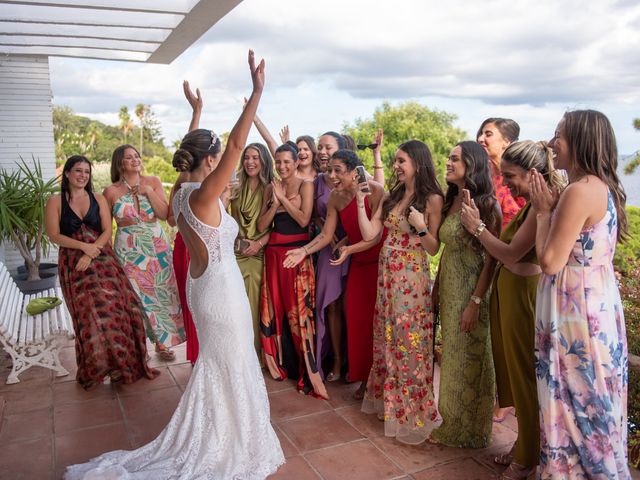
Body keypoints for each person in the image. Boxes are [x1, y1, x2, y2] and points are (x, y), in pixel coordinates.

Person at [64, 50, 284, 480]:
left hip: (202, 289)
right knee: (233, 362)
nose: (226, 158)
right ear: (211, 160)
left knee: (219, 366)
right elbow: (237, 145)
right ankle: (232, 442)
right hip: (220, 292)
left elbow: (196, 156)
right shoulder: (203, 195)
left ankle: (225, 432)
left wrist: (196, 114)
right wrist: (258, 93)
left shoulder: (183, 192)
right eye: (218, 155)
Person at [530, 110, 630, 479]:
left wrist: (543, 213)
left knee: (571, 402)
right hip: (596, 300)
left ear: (581, 142)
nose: (553, 143)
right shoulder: (600, 186)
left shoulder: (579, 190)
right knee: (593, 399)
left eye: (560, 136)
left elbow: (551, 261)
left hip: (574, 313)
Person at [460, 140, 566, 478]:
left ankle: (528, 456)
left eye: (511, 176)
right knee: (512, 371)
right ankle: (524, 443)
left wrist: (476, 228)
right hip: (507, 292)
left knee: (524, 377)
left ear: (533, 173)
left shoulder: (541, 207)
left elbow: (509, 254)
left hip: (523, 295)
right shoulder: (531, 204)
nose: (505, 184)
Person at [355, 140, 443, 444]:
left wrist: (420, 227)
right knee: (388, 337)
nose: (396, 166)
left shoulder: (432, 199)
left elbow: (433, 249)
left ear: (418, 163)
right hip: (387, 279)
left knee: (409, 341)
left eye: (401, 161)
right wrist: (359, 201)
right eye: (395, 161)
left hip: (411, 281)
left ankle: (414, 411)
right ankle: (391, 405)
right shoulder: (393, 195)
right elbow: (370, 233)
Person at [45, 155, 158, 390]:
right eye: (78, 171)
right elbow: (54, 235)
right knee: (87, 318)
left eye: (87, 172)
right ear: (67, 173)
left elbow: (108, 230)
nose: (83, 176)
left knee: (118, 311)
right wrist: (82, 248)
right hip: (73, 266)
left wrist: (91, 252)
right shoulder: (55, 202)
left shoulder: (97, 198)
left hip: (102, 261)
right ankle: (95, 368)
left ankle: (122, 365)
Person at [283, 148, 385, 397]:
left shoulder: (376, 191)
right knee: (358, 320)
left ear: (353, 171)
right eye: (329, 170)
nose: (332, 175)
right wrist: (304, 251)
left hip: (382, 263)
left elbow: (378, 234)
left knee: (381, 323)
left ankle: (382, 381)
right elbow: (327, 235)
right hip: (358, 262)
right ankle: (363, 380)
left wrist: (349, 246)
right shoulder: (335, 198)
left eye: (338, 170)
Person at [430, 141, 500, 448]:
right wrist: (436, 289)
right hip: (449, 289)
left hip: (473, 293)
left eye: (454, 158)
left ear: (471, 165)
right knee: (453, 360)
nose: (447, 162)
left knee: (473, 362)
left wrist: (474, 303)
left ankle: (473, 430)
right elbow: (447, 251)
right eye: (449, 157)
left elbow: (492, 259)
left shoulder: (486, 205)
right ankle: (453, 423)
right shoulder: (453, 199)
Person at [257, 143, 328, 399]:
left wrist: (284, 199)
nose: (282, 167)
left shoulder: (306, 184)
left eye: (287, 162)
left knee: (299, 312)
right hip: (273, 254)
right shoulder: (270, 187)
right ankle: (280, 364)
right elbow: (261, 224)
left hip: (297, 256)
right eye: (278, 162)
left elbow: (303, 220)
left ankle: (306, 371)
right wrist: (275, 204)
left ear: (296, 162)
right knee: (274, 308)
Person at [103, 144, 185, 361]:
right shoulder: (111, 192)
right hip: (128, 252)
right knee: (137, 299)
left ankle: (162, 343)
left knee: (161, 295)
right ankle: (139, 347)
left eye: (137, 156)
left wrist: (147, 192)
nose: (135, 160)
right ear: (120, 163)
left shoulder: (153, 182)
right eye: (129, 157)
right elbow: (107, 228)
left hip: (156, 247)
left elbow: (164, 213)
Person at [229, 142, 274, 359]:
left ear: (263, 160)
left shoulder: (270, 187)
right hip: (235, 253)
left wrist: (259, 244)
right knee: (234, 305)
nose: (250, 162)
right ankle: (235, 352)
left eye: (255, 157)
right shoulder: (235, 185)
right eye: (247, 157)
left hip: (257, 253)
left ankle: (254, 354)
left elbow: (274, 226)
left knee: (254, 305)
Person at [477, 118, 526, 230]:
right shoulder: (479, 174)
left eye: (488, 134)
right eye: (481, 134)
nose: (480, 139)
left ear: (507, 141)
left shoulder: (523, 174)